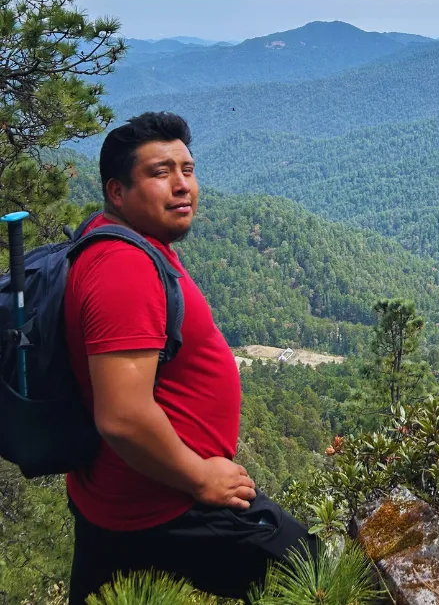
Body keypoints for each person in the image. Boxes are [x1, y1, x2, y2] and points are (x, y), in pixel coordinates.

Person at [64, 112, 319, 604]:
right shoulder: (123, 268)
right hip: (167, 504)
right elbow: (122, 416)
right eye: (161, 173)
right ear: (117, 191)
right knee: (318, 578)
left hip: (118, 498)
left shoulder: (125, 241)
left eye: (188, 169)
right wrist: (201, 477)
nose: (183, 185)